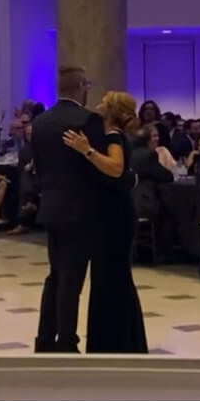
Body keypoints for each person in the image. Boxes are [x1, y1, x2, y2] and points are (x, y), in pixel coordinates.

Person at [32, 67, 104, 352]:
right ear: (79, 87)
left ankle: (44, 338)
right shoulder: (88, 120)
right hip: (80, 208)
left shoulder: (40, 122)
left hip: (51, 206)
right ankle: (66, 341)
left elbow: (39, 165)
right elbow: (95, 168)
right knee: (71, 278)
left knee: (56, 274)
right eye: (87, 85)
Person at [83, 90, 147, 353]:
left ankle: (115, 342)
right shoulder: (115, 135)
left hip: (114, 218)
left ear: (112, 111)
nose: (98, 105)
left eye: (104, 103)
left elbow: (115, 167)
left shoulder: (113, 136)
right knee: (113, 276)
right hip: (116, 214)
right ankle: (123, 341)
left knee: (111, 276)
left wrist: (86, 151)